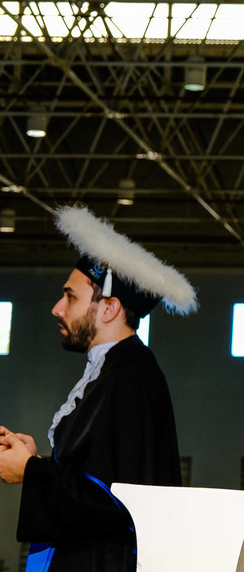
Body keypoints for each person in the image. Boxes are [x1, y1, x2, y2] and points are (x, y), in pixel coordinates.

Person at [0, 205, 195, 572]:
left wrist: (30, 472)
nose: (58, 309)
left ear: (109, 308)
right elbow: (98, 476)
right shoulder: (118, 370)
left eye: (71, 297)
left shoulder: (128, 378)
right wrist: (39, 461)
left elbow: (111, 502)